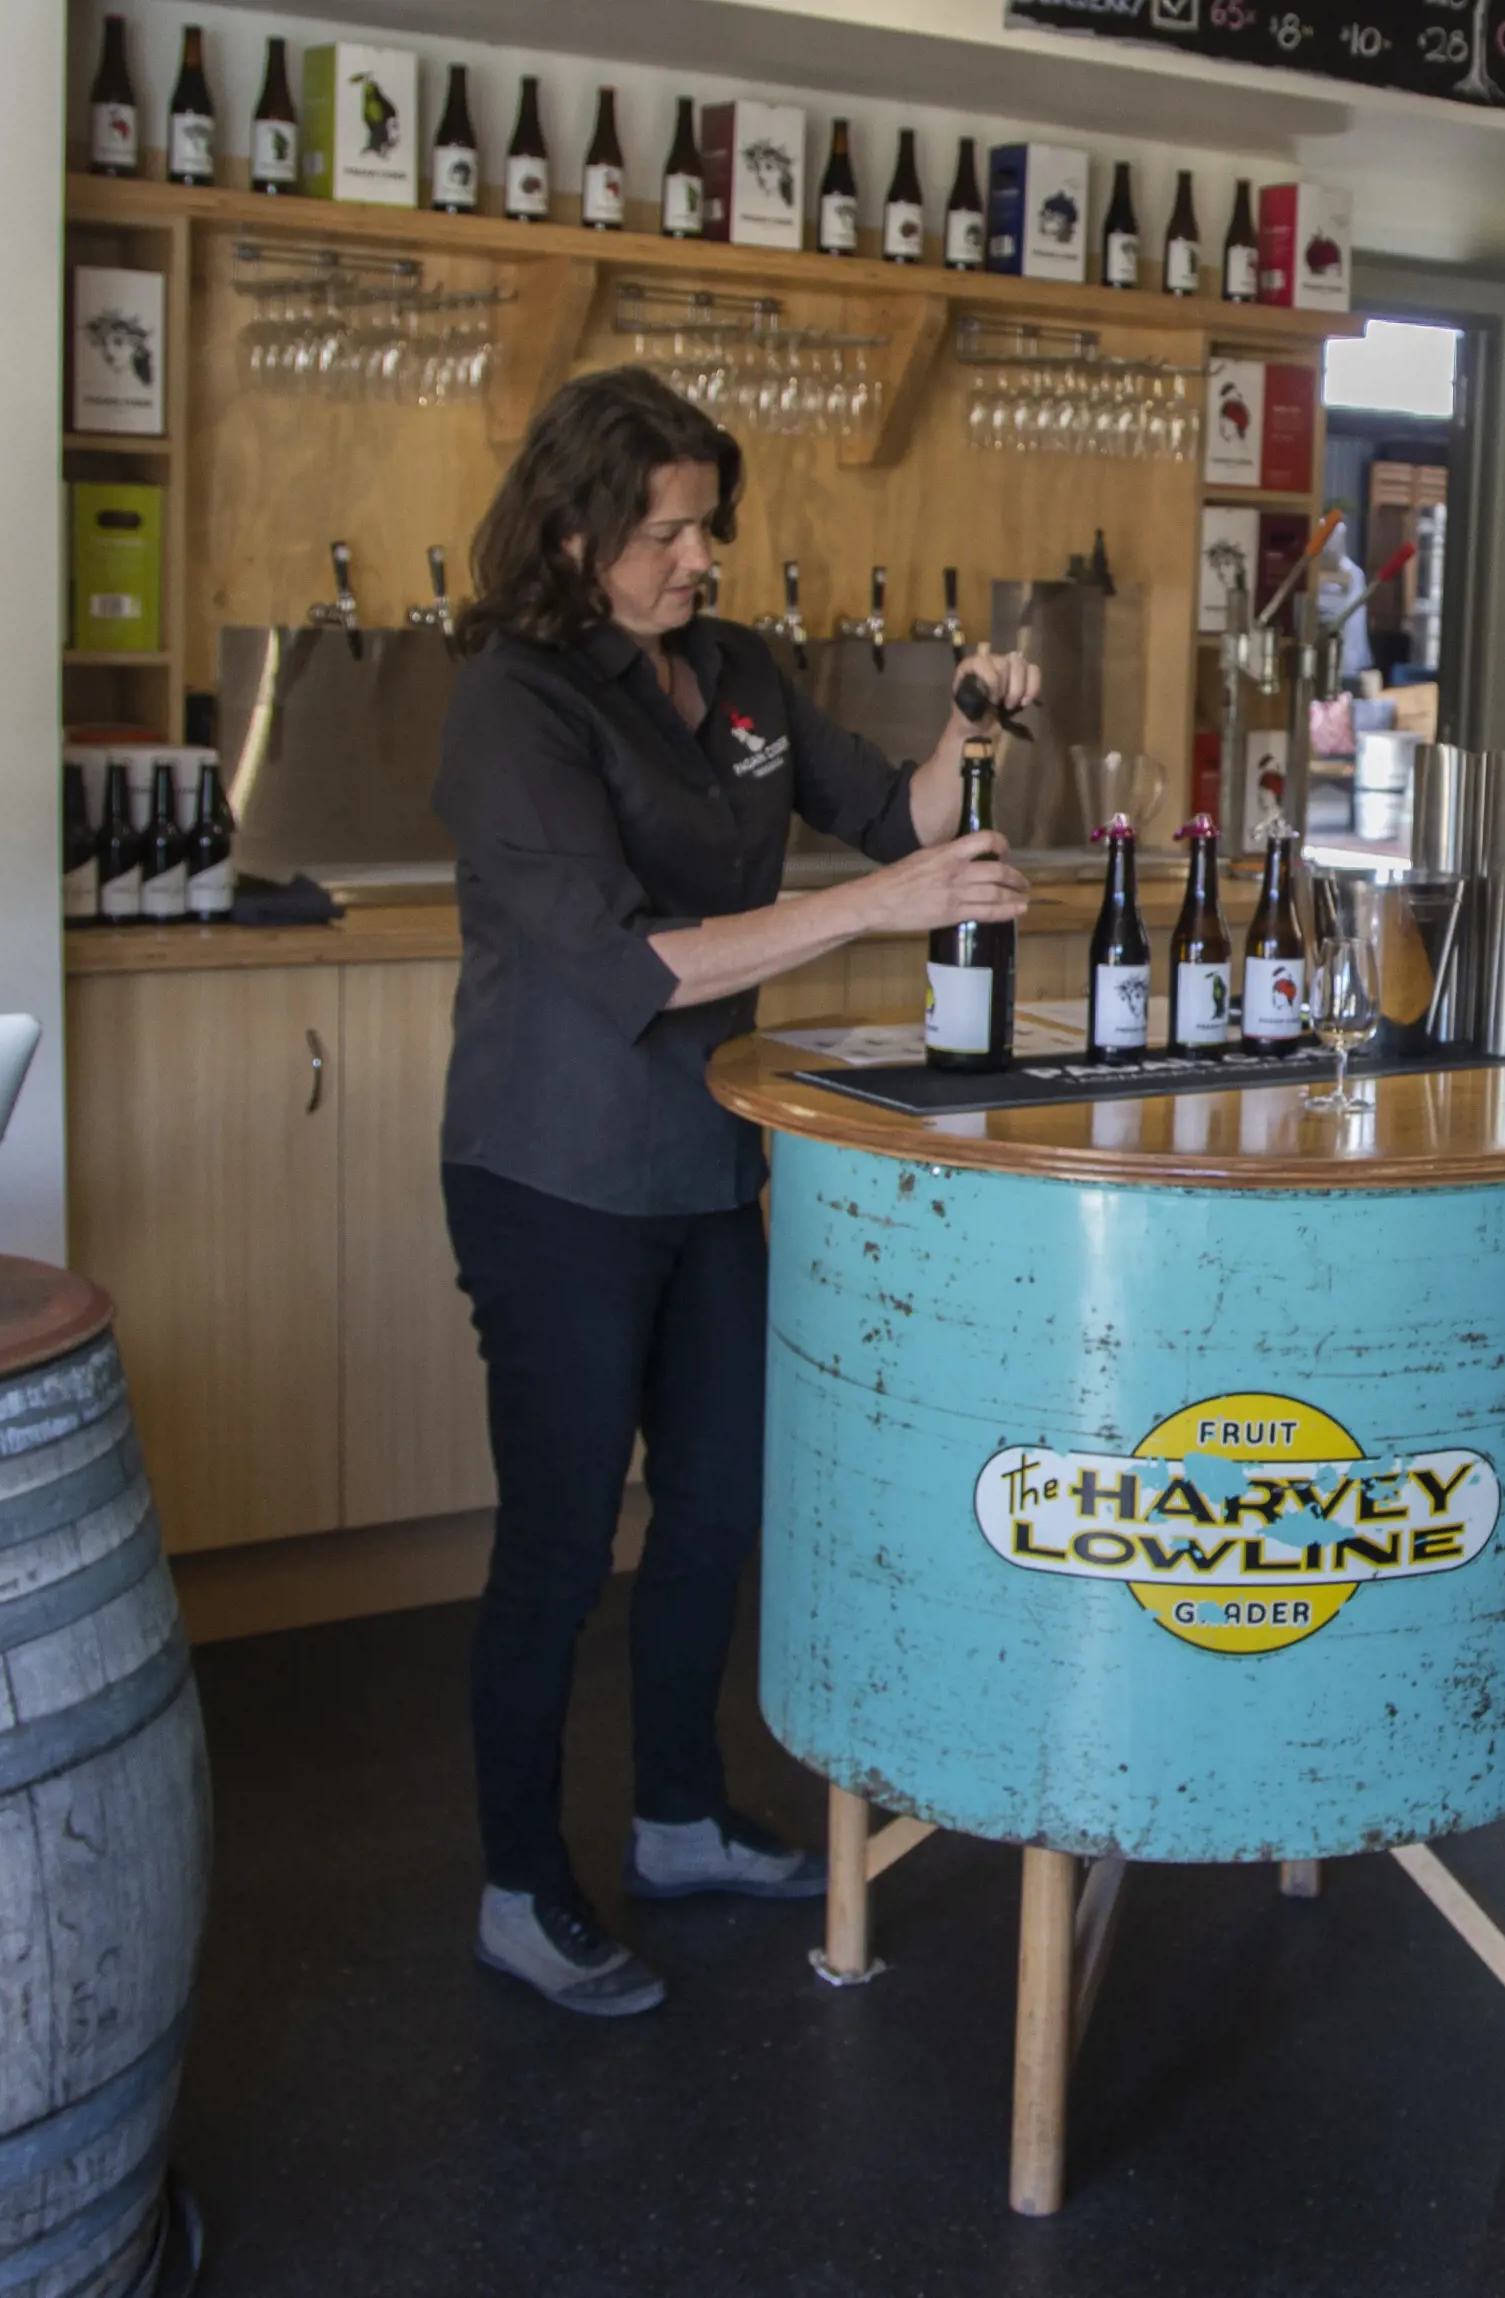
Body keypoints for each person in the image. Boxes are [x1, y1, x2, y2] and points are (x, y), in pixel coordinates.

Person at [434, 366, 1036, 2016]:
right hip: (551, 1170)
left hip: (703, 1158)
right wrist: (878, 911)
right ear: (572, 534)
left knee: (717, 1502)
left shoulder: (740, 675)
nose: (700, 558)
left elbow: (883, 812)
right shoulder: (517, 705)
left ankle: (681, 1814)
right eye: (666, 532)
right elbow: (635, 960)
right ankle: (516, 1878)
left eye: (707, 526)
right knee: (560, 1541)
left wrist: (966, 729)